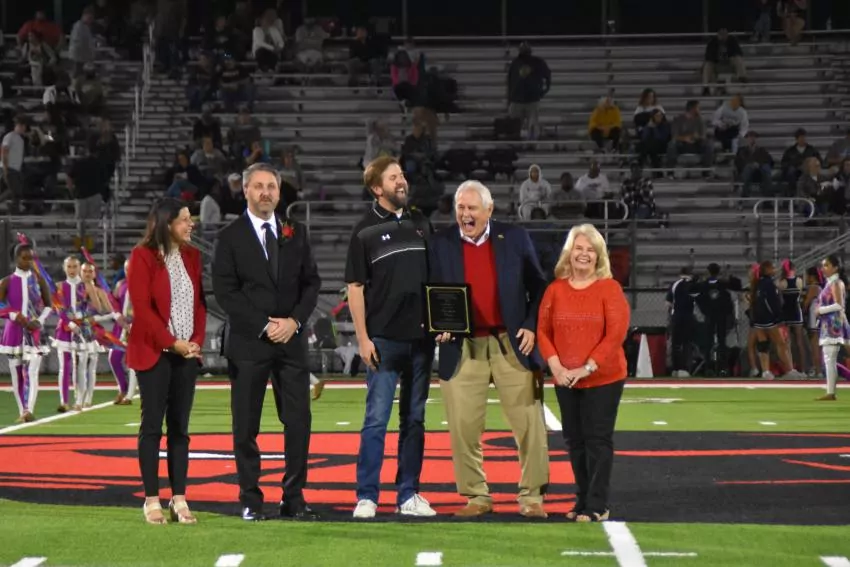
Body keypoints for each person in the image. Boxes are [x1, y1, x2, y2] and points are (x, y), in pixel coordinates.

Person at [429, 180, 549, 518]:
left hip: (512, 343)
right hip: (462, 345)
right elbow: (431, 292)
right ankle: (476, 496)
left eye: (472, 208)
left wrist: (530, 324)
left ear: (489, 210)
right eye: (461, 208)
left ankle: (532, 497)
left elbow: (539, 286)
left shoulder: (514, 237)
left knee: (530, 423)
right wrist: (438, 325)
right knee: (463, 426)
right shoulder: (440, 243)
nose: (465, 215)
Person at [212, 163, 321, 522]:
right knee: (245, 425)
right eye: (258, 186)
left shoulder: (297, 232)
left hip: (291, 342)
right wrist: (264, 326)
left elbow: (312, 285)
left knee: (299, 422)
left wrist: (294, 322)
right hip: (248, 344)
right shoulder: (229, 237)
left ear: (279, 191)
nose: (266, 193)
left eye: (271, 186)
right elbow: (226, 293)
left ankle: (294, 497)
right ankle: (250, 499)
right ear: (245, 191)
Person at [345, 156, 435, 519]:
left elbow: (436, 282)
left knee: (414, 420)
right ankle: (367, 495)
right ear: (377, 188)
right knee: (376, 420)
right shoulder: (363, 230)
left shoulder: (421, 223)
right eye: (394, 177)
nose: (402, 181)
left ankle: (408, 493)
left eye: (403, 175)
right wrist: (363, 339)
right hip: (382, 340)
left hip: (421, 341)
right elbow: (354, 287)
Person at [537, 224, 630, 522]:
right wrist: (556, 366)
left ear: (599, 256)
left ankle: (598, 503)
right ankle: (582, 498)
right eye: (579, 248)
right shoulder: (555, 289)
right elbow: (543, 330)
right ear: (569, 252)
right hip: (565, 378)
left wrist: (587, 366)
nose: (584, 254)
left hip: (603, 378)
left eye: (591, 250)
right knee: (574, 440)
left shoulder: (609, 289)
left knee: (597, 440)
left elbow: (616, 334)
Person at [127, 198, 207, 525]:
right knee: (151, 427)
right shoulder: (142, 256)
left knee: (180, 429)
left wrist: (195, 342)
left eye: (190, 219)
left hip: (186, 355)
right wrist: (172, 343)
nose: (191, 225)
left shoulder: (193, 256)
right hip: (155, 353)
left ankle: (179, 497)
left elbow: (200, 304)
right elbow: (143, 311)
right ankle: (151, 499)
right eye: (185, 220)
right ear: (166, 223)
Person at [0, 243, 52, 423]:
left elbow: (49, 305)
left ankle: (29, 408)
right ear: (16, 258)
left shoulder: (38, 280)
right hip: (13, 331)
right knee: (16, 371)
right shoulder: (6, 281)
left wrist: (40, 320)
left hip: (34, 331)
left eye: (31, 258)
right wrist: (14, 315)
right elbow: (0, 305)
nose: (29, 261)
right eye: (25, 258)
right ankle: (22, 410)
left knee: (31, 370)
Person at [74, 263, 114, 411]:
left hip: (94, 332)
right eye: (85, 271)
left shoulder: (99, 291)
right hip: (77, 331)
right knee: (77, 365)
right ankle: (78, 397)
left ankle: (88, 398)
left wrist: (95, 319)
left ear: (94, 274)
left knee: (90, 367)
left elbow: (112, 313)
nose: (87, 273)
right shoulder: (75, 290)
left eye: (90, 271)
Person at [696, 263, 742, 376]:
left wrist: (705, 311)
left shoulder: (704, 285)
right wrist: (730, 277)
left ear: (708, 272)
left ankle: (708, 367)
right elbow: (738, 285)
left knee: (708, 342)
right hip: (721, 316)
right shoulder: (722, 284)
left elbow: (698, 298)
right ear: (718, 272)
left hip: (710, 316)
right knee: (721, 342)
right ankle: (723, 368)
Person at [53, 256, 85, 413]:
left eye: (75, 266)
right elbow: (59, 309)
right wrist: (69, 323)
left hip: (83, 330)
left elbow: (92, 305)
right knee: (64, 367)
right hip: (64, 332)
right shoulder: (59, 286)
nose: (72, 270)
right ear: (64, 268)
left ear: (79, 268)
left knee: (79, 366)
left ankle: (79, 401)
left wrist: (81, 318)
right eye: (69, 267)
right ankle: (64, 401)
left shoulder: (85, 286)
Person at [815, 255, 849, 401]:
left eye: (826, 265)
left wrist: (820, 310)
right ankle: (830, 392)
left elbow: (838, 305)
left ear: (835, 267)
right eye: (823, 266)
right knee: (830, 358)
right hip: (833, 323)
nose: (823, 269)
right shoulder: (832, 282)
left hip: (833, 325)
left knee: (829, 358)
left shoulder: (835, 283)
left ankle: (830, 392)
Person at [108, 259, 136, 405]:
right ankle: (123, 388)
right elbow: (114, 305)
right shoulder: (120, 285)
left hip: (137, 327)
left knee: (132, 361)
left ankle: (129, 395)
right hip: (120, 328)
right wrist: (117, 316)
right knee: (113, 358)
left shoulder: (145, 285)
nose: (128, 272)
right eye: (126, 269)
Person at [778, 259, 807, 373]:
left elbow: (780, 299)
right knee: (799, 342)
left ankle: (791, 369)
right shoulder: (799, 281)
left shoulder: (781, 282)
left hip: (786, 312)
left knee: (787, 342)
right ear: (793, 269)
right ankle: (803, 369)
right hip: (796, 311)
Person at [667, 267, 696, 378]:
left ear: (680, 274)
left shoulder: (674, 285)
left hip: (676, 316)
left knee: (676, 344)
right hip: (688, 316)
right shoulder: (693, 285)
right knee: (687, 343)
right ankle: (685, 368)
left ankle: (675, 368)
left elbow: (668, 303)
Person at [802, 267, 823, 378]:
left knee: (814, 344)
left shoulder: (814, 287)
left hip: (813, 316)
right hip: (819, 316)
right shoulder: (820, 287)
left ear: (811, 276)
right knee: (817, 345)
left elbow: (807, 303)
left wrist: (801, 311)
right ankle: (818, 369)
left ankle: (817, 370)